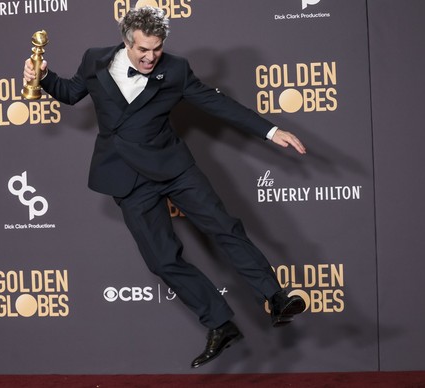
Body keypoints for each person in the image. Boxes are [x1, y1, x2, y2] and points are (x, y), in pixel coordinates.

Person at [24, 6, 306, 368]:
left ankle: (275, 297)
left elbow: (216, 103)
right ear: (126, 42)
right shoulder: (94, 60)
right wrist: (44, 76)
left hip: (173, 167)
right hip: (126, 177)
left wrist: (270, 130)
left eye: (157, 49)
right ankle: (220, 323)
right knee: (161, 259)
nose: (150, 57)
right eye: (142, 49)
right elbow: (70, 92)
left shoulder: (175, 69)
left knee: (224, 227)